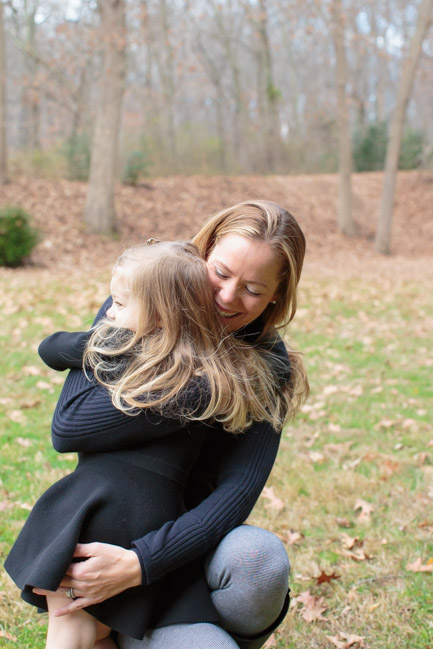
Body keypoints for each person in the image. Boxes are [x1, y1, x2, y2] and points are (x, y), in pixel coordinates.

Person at [24, 200, 308, 649]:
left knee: (259, 560)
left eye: (253, 289)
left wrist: (140, 564)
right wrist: (201, 388)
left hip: (180, 557)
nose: (229, 297)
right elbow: (70, 426)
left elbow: (233, 499)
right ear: (202, 254)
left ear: (277, 293)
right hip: (113, 528)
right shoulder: (134, 302)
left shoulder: (265, 367)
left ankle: (208, 635)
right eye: (221, 272)